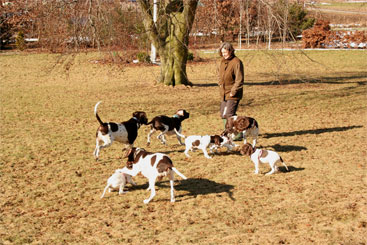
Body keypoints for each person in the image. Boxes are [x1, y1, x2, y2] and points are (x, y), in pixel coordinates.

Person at [218, 42, 244, 140]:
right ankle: (230, 131)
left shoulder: (237, 62)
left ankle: (236, 134)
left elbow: (239, 79)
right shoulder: (221, 61)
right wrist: (220, 83)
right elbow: (219, 74)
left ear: (230, 51)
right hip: (223, 93)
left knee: (229, 113)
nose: (224, 54)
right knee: (223, 114)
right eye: (222, 52)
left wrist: (234, 90)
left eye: (226, 52)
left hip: (233, 93)